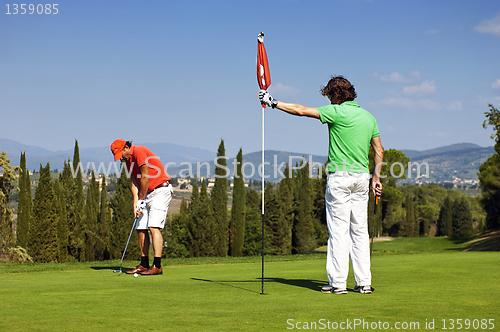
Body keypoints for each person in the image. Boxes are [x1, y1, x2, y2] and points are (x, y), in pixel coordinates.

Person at [259, 76, 383, 294]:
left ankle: (338, 284)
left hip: (340, 178)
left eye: (329, 95)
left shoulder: (336, 111)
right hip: (362, 178)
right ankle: (364, 283)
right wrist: (376, 178)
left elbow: (300, 110)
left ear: (336, 94)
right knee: (360, 231)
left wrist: (273, 102)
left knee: (338, 232)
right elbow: (379, 150)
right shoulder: (368, 117)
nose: (329, 100)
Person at [110, 139, 173, 275]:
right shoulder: (127, 162)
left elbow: (145, 176)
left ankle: (157, 266)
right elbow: (134, 182)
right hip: (147, 194)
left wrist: (142, 198)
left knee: (153, 227)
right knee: (141, 228)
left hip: (160, 190)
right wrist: (136, 203)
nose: (121, 158)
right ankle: (144, 264)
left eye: (122, 154)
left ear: (127, 147)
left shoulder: (139, 151)